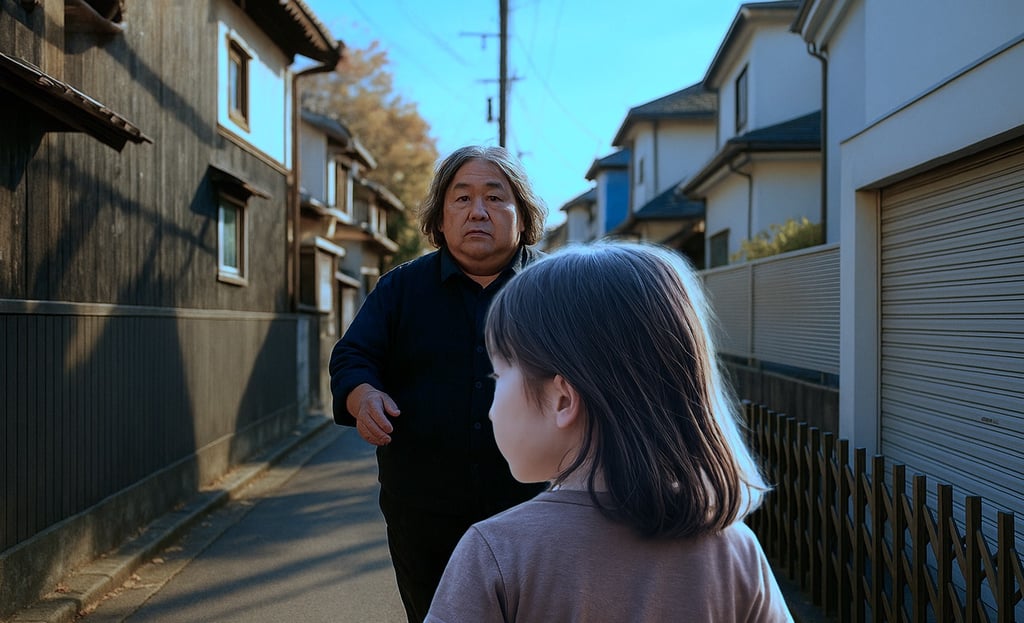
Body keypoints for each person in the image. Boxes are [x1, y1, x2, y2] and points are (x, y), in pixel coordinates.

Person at [426, 241, 794, 622]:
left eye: (498, 375)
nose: (490, 406)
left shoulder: (497, 553)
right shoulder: (733, 550)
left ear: (562, 400)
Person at [329, 145, 549, 623]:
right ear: (440, 216)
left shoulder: (558, 286)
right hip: (422, 511)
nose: (478, 211)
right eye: (462, 198)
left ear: (522, 213)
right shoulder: (400, 288)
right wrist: (362, 394)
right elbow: (353, 355)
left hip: (537, 508)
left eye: (495, 198)